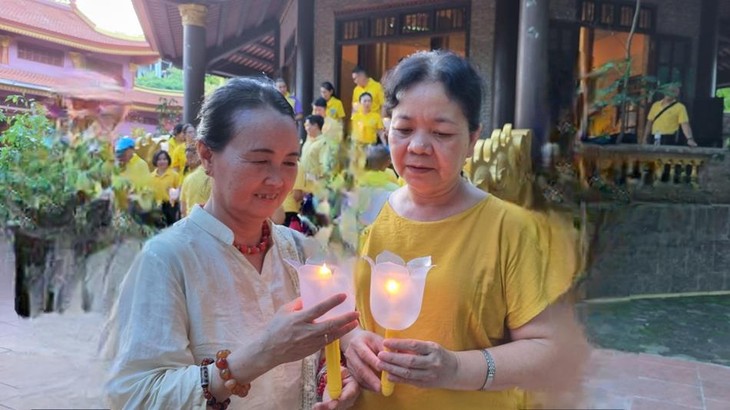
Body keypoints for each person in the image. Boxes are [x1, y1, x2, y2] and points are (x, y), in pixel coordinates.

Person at [343, 51, 588, 409]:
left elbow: (548, 348)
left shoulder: (510, 228)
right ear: (385, 130)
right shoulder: (368, 213)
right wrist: (352, 341)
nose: (418, 147)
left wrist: (457, 368)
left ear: (473, 139)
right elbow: (348, 310)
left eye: (441, 132)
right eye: (404, 129)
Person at [103, 77, 361, 409]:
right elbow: (137, 396)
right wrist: (261, 353)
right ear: (207, 155)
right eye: (259, 160)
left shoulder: (302, 252)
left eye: (289, 162)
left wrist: (336, 380)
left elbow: (318, 359)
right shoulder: (166, 259)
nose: (278, 179)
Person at [149, 150, 181, 226]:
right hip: (156, 207)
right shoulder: (151, 177)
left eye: (164, 159)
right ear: (155, 161)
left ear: (168, 160)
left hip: (171, 207)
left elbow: (179, 193)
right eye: (159, 159)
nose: (162, 161)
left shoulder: (174, 175)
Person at [179, 145, 211, 217]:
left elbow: (183, 209)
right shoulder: (214, 175)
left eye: (192, 156)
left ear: (199, 156)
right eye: (187, 157)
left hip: (192, 218)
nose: (189, 160)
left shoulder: (188, 178)